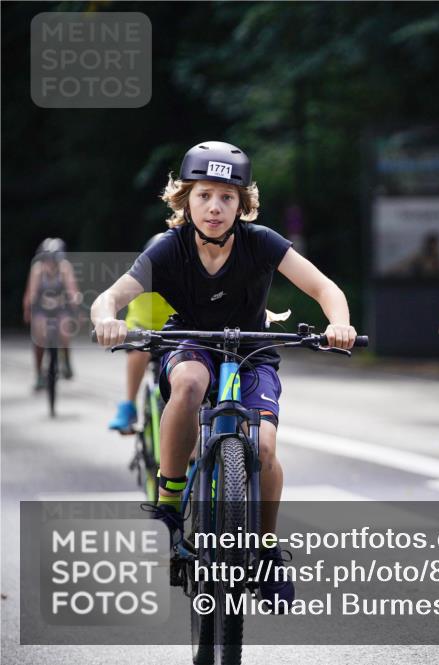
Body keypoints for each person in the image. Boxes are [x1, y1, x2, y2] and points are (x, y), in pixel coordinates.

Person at [91, 141, 357, 610]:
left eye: (227, 197)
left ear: (243, 204)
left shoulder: (262, 243)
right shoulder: (167, 248)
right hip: (191, 341)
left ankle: (266, 551)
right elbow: (108, 298)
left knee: (266, 447)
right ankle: (171, 497)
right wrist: (106, 319)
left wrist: (339, 323)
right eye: (204, 195)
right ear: (185, 199)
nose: (215, 207)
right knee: (189, 385)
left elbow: (323, 287)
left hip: (252, 351)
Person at [107, 233, 177, 432]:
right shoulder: (142, 283)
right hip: (145, 333)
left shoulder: (185, 279)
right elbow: (138, 318)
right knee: (139, 352)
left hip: (176, 338)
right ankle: (128, 405)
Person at [23, 238, 81, 389]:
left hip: (61, 307)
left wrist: (76, 306)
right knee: (38, 336)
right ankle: (39, 374)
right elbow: (31, 293)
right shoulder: (37, 269)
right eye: (47, 259)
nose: (50, 263)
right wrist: (28, 309)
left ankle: (66, 362)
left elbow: (72, 290)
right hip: (41, 308)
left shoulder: (65, 268)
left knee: (65, 329)